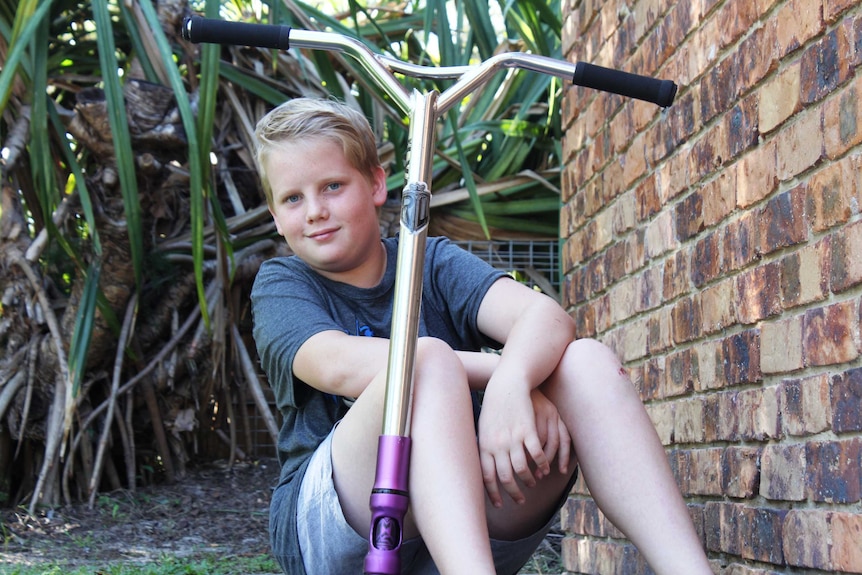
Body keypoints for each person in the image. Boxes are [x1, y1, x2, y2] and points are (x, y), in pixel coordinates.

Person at [250, 97, 712, 575]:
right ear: (274, 211)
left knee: (585, 364)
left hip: (466, 518)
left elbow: (546, 317)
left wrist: (515, 382)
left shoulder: (432, 262)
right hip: (339, 523)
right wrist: (506, 379)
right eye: (292, 198)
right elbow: (336, 365)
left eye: (332, 186)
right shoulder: (282, 284)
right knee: (423, 360)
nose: (314, 212)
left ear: (376, 183)